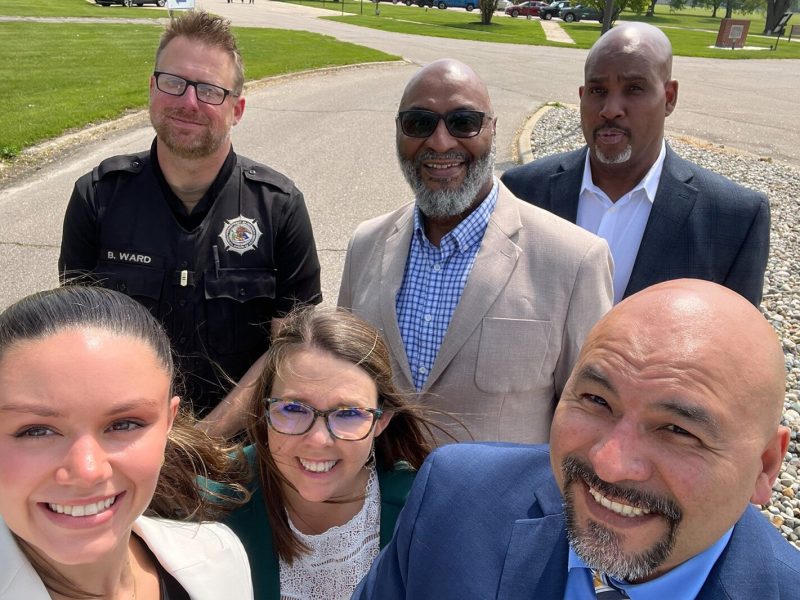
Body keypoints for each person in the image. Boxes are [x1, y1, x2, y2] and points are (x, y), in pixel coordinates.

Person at [353, 279, 800, 599]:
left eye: (678, 430)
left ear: (764, 466)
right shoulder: (454, 503)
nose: (608, 462)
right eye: (596, 400)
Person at [59, 10, 322, 431]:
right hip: (122, 443)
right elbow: (78, 339)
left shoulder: (279, 208)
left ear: (237, 109)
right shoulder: (99, 197)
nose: (188, 102)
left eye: (209, 91)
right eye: (174, 83)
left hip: (237, 453)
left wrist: (206, 438)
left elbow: (289, 351)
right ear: (151, 88)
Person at [338, 58, 613, 444]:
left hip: (495, 505)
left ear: (493, 129)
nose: (440, 142)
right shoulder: (365, 245)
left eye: (463, 122)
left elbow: (591, 423)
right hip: (373, 500)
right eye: (419, 123)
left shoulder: (574, 261)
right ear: (399, 131)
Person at [0, 285, 253, 600]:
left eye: (124, 424)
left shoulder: (219, 556)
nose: (88, 470)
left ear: (167, 424)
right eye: (37, 430)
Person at [501, 22, 770, 307]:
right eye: (597, 91)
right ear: (581, 97)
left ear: (669, 98)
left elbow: (736, 344)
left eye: (634, 88)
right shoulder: (521, 192)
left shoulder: (733, 218)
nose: (610, 109)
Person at [219, 307, 439, 600]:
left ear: (380, 422)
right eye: (294, 409)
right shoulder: (214, 504)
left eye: (348, 413)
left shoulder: (423, 513)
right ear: (264, 411)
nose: (319, 439)